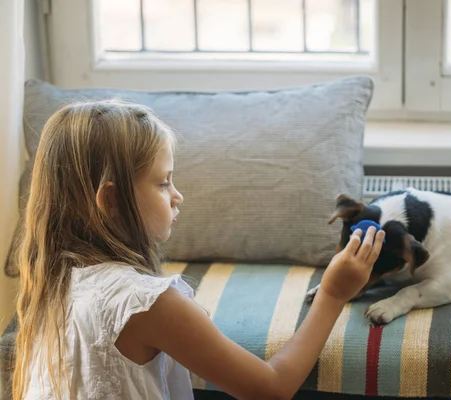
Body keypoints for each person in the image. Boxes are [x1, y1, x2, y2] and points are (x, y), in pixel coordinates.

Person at [12, 100, 385, 400]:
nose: (177, 196)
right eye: (163, 182)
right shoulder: (145, 303)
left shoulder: (49, 283)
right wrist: (334, 293)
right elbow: (270, 388)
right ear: (110, 200)